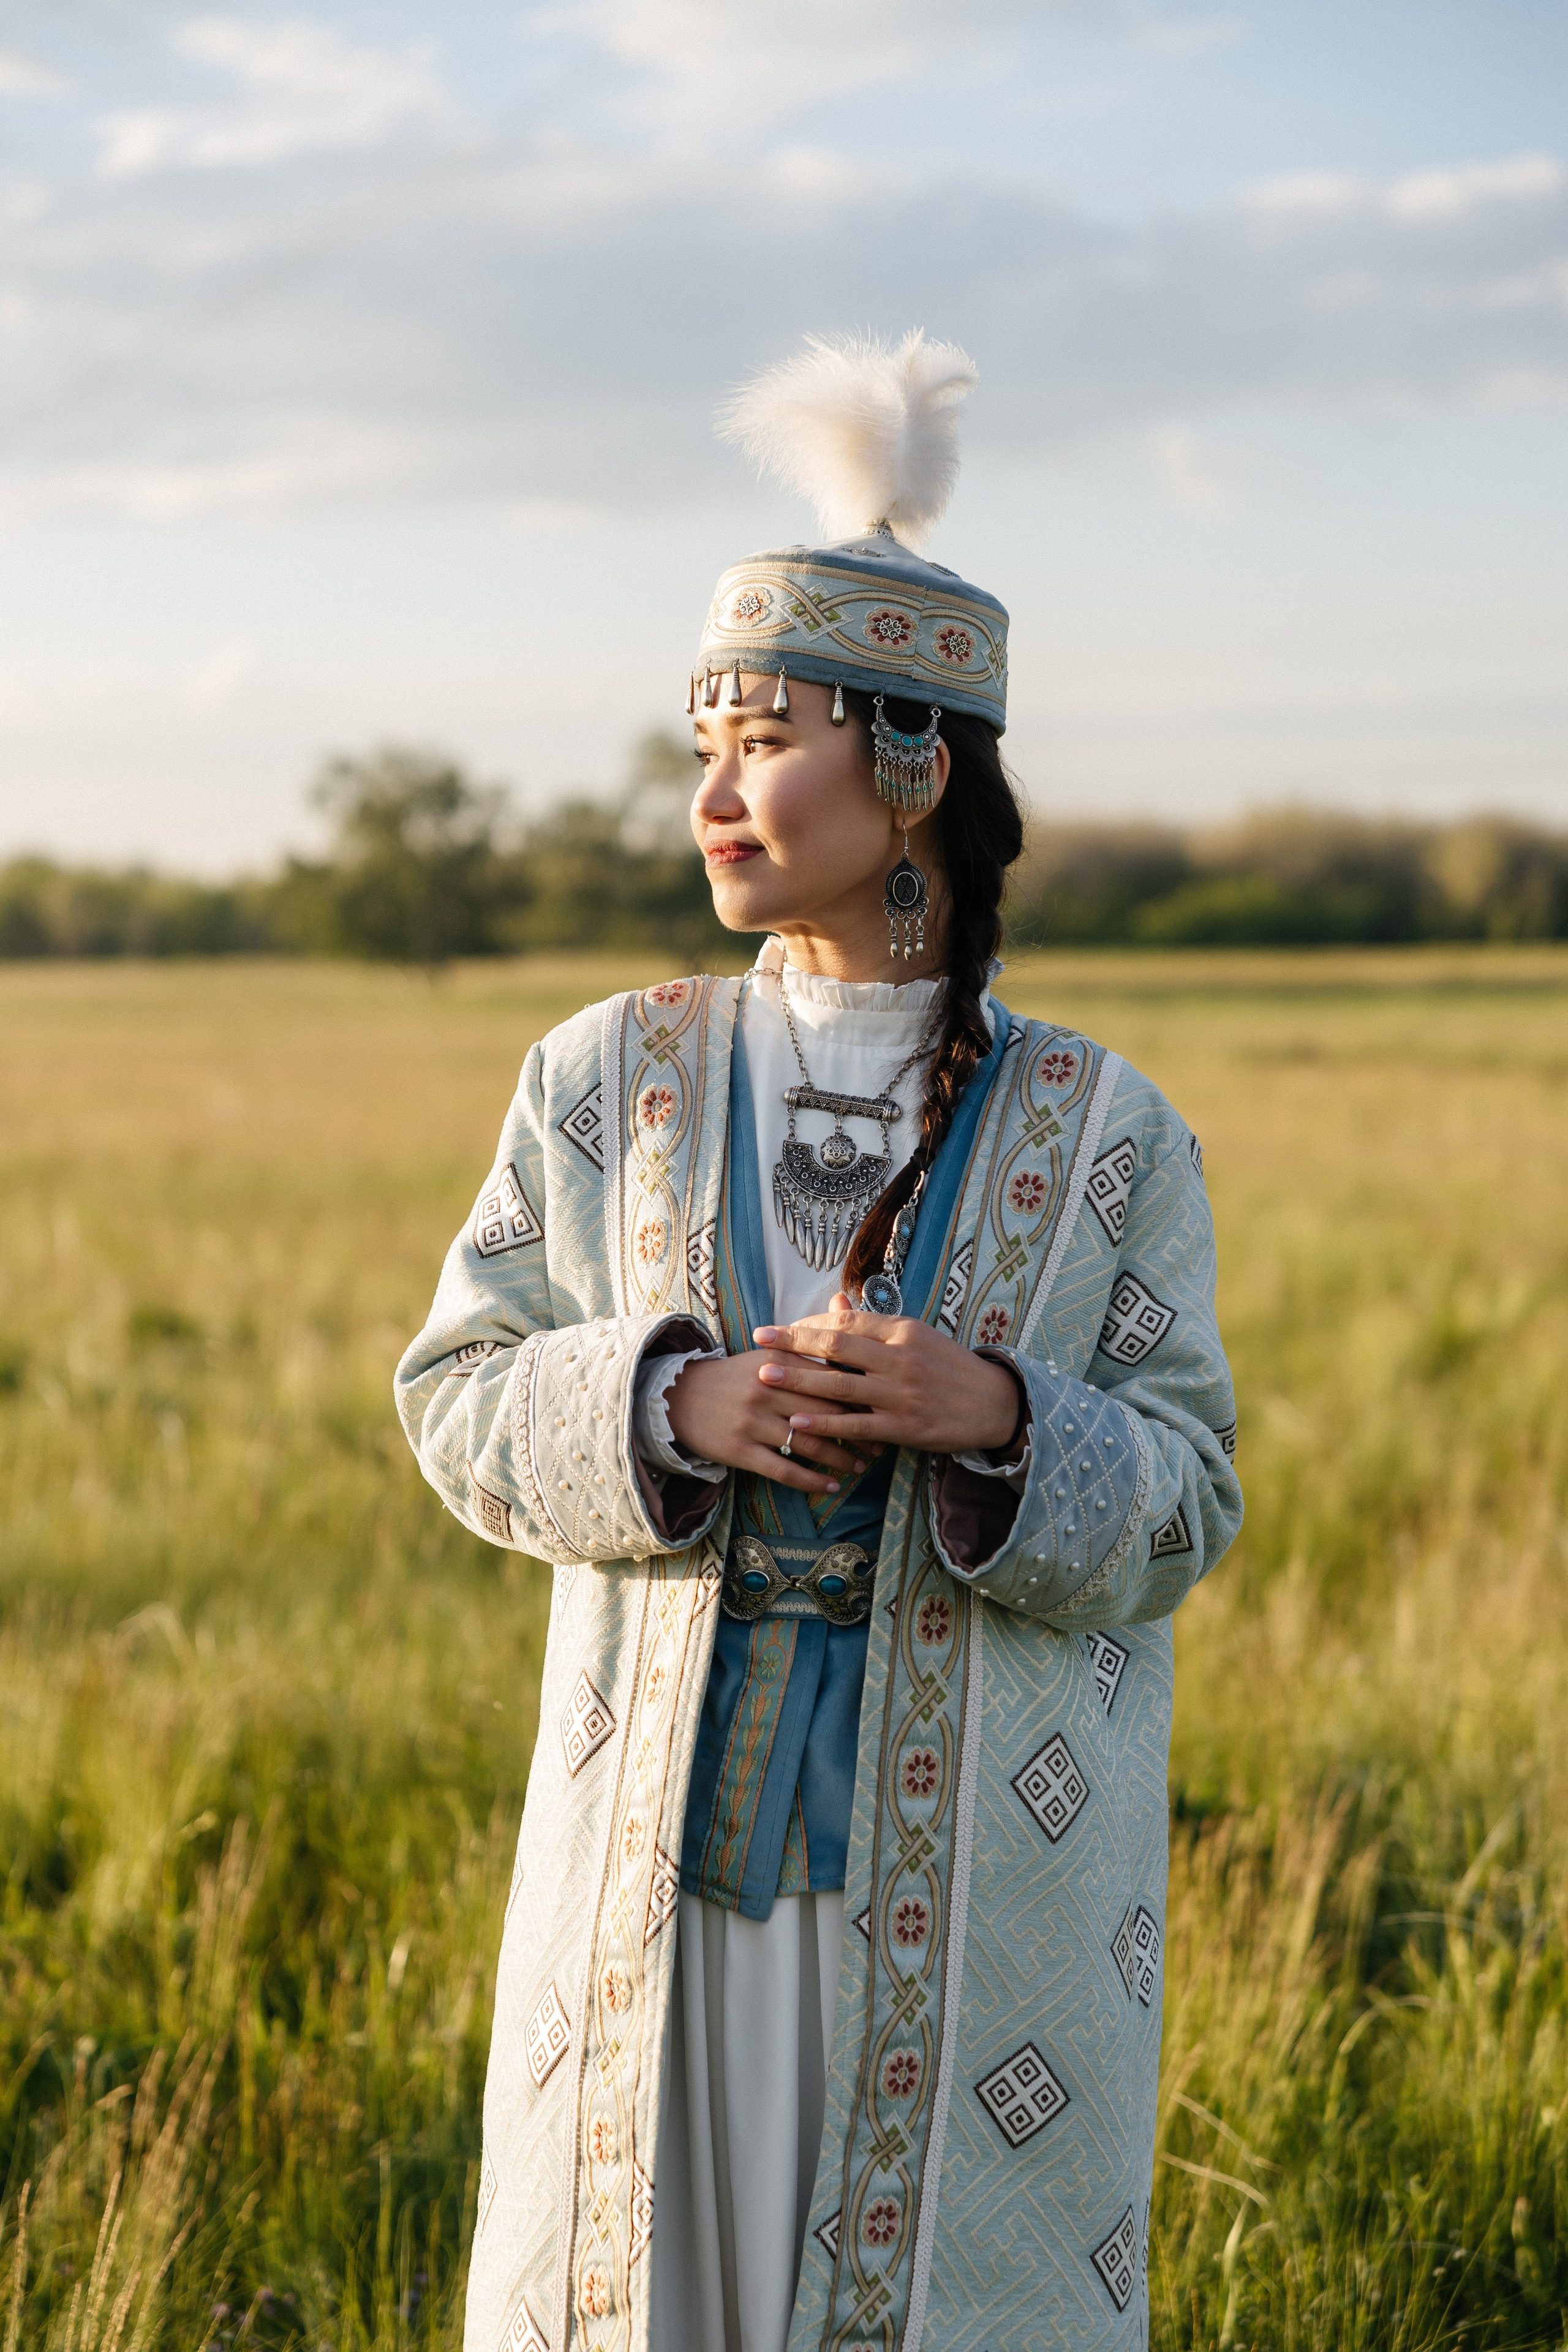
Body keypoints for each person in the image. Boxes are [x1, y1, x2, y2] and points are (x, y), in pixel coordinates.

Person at [396, 329, 1242, 2352]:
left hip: (971, 1907)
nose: (713, 793)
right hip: (652, 1873)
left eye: (763, 736)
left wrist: (1006, 1421)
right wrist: (668, 1399)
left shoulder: (1105, 1124)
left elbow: (1193, 1498)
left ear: (920, 764)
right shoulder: (606, 1077)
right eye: (703, 741)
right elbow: (451, 1396)